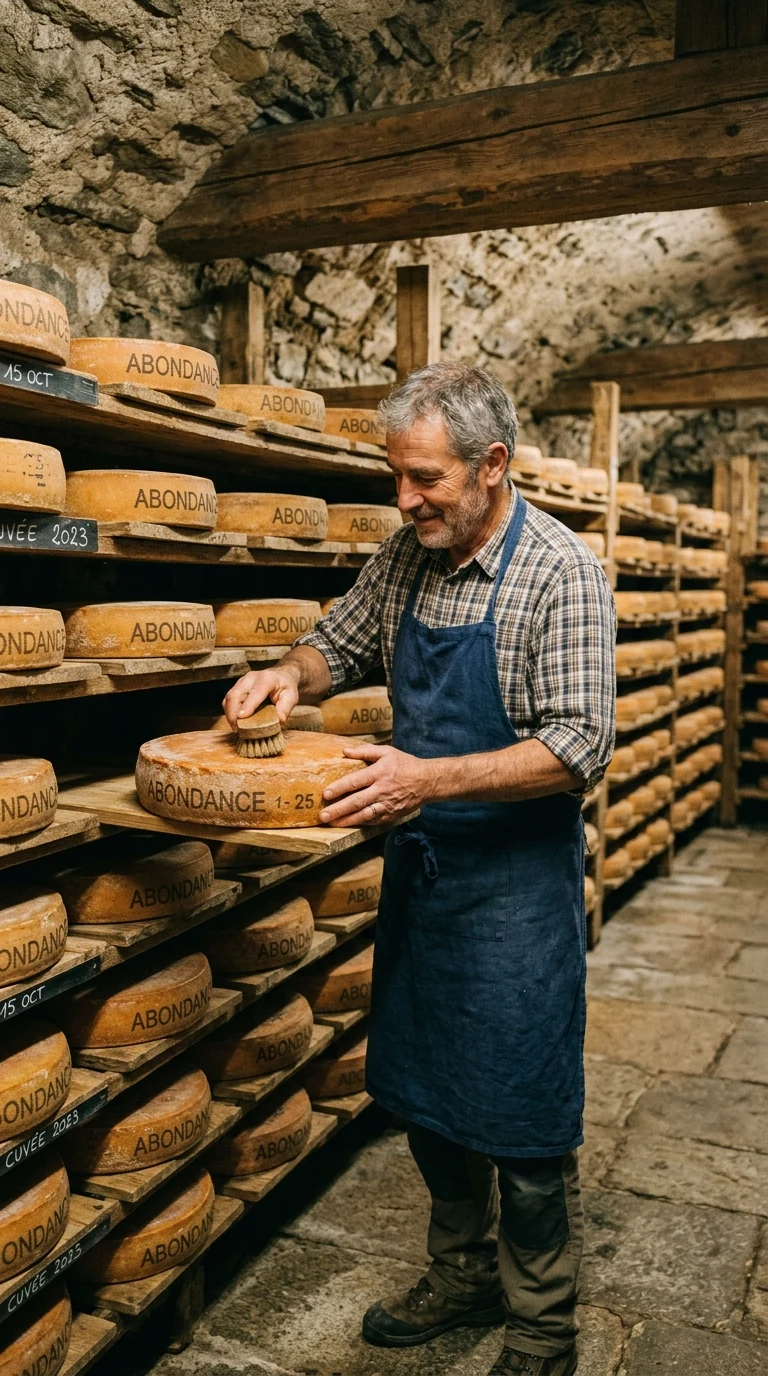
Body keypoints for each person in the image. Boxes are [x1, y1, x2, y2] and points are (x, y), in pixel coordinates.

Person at [223, 363, 616, 1376]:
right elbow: (339, 645)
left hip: (518, 896)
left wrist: (428, 781)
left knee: (525, 1129)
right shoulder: (408, 558)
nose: (405, 499)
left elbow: (577, 744)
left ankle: (541, 1326)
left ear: (492, 464)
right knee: (429, 1100)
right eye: (397, 476)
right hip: (428, 881)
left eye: (426, 479)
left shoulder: (559, 571)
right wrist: (287, 673)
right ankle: (461, 1271)